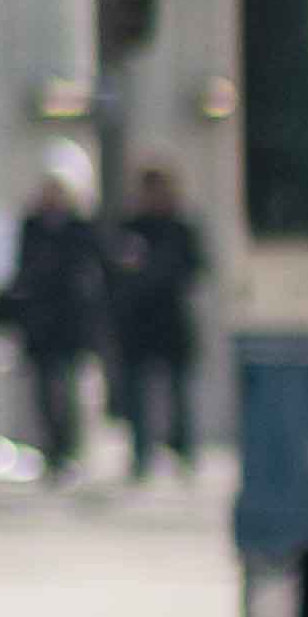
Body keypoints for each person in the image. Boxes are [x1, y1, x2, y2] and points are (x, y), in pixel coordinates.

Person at [0, 153, 112, 482]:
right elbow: (21, 270)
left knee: (72, 389)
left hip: (73, 322)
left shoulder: (83, 227)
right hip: (40, 323)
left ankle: (71, 451)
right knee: (45, 391)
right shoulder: (31, 225)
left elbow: (98, 271)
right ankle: (52, 450)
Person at [105, 158, 209, 477]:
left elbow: (197, 268)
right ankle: (141, 453)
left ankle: (184, 450)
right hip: (138, 321)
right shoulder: (130, 226)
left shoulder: (182, 227)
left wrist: (155, 270)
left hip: (171, 318)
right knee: (137, 391)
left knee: (178, 391)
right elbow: (112, 270)